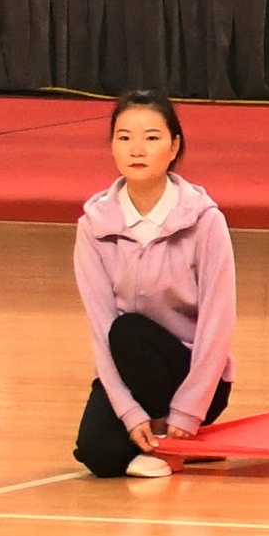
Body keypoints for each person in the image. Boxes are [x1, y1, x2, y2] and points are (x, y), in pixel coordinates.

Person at [71, 93, 238, 480]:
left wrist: (189, 409)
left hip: (194, 380)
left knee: (129, 331)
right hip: (130, 372)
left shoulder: (205, 221)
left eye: (151, 137)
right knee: (96, 452)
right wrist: (128, 412)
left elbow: (217, 324)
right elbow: (100, 330)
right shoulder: (94, 226)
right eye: (124, 138)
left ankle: (172, 433)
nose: (137, 149)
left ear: (174, 146)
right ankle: (169, 445)